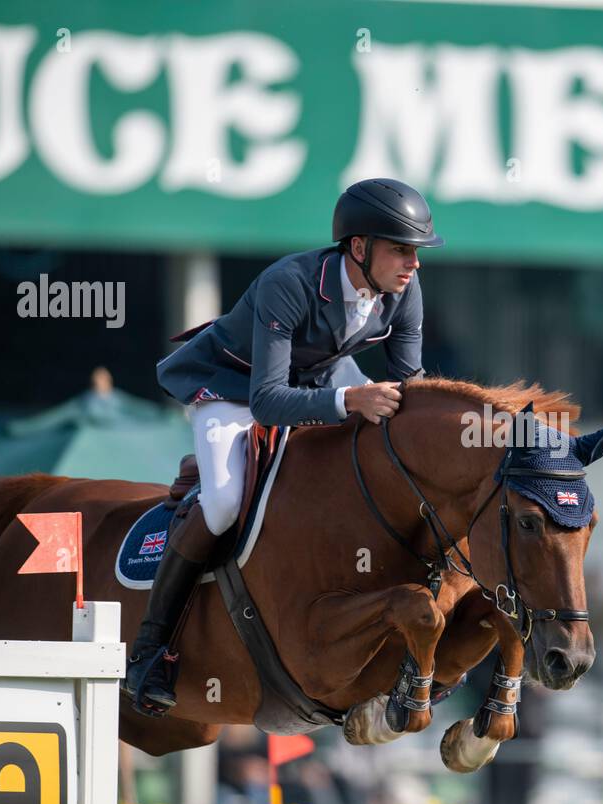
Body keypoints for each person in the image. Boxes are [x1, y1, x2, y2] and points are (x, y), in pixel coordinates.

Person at [122, 178, 444, 717]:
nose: (412, 263)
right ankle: (151, 649)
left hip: (322, 379)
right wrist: (351, 401)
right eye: (400, 250)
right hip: (234, 387)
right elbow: (268, 402)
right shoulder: (289, 282)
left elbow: (408, 383)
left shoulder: (404, 289)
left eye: (415, 251)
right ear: (358, 248)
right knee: (225, 503)